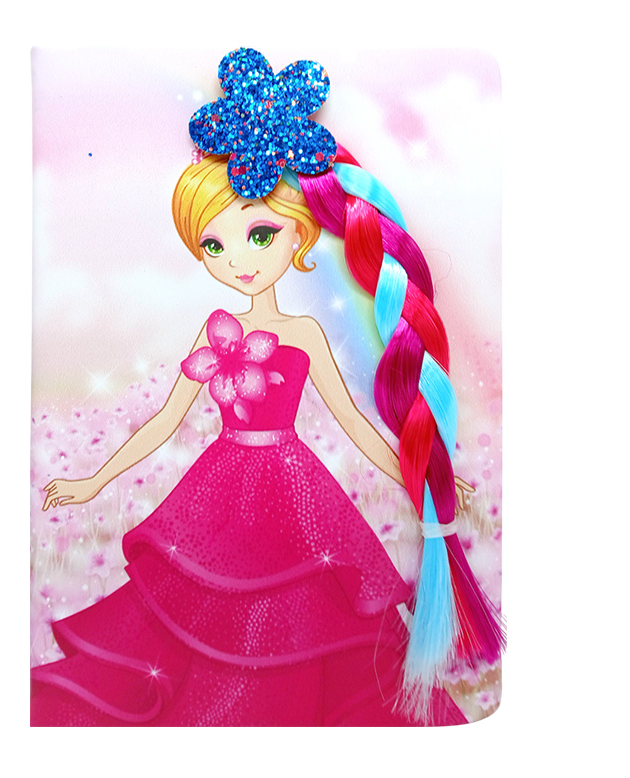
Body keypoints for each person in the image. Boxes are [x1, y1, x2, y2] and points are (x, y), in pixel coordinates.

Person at [31, 48, 502, 727]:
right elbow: (165, 420)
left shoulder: (303, 334)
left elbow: (354, 422)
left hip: (295, 492)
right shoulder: (216, 331)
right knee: (211, 609)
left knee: (305, 612)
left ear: (299, 237)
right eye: (214, 247)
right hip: (220, 490)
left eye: (259, 235)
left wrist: (425, 474)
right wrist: (91, 481)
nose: (236, 261)